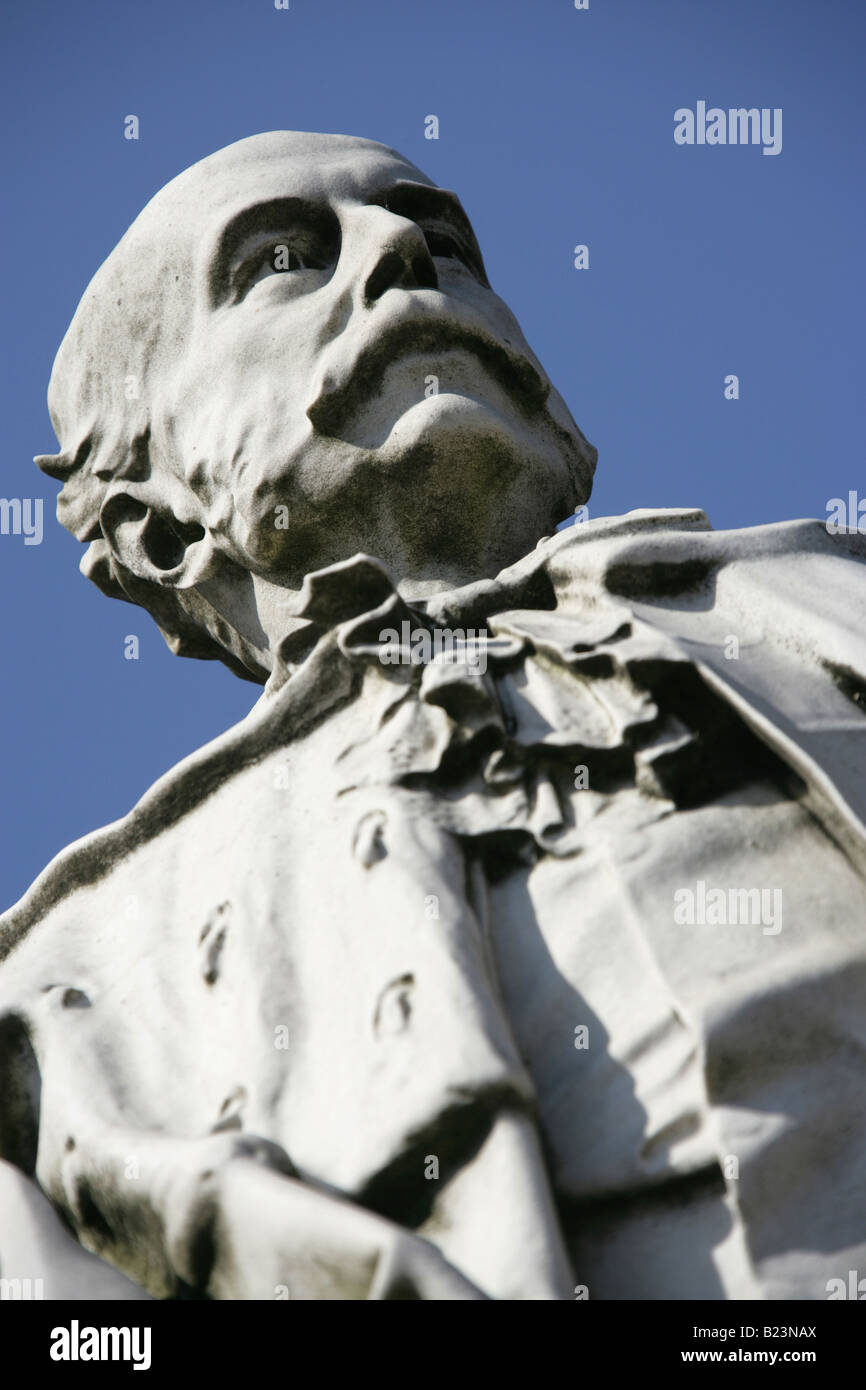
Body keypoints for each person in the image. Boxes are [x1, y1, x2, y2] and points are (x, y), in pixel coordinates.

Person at [2, 132, 865, 1300]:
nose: (403, 249)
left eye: (444, 241)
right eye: (281, 259)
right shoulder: (73, 1001)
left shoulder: (831, 601)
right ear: (159, 527)